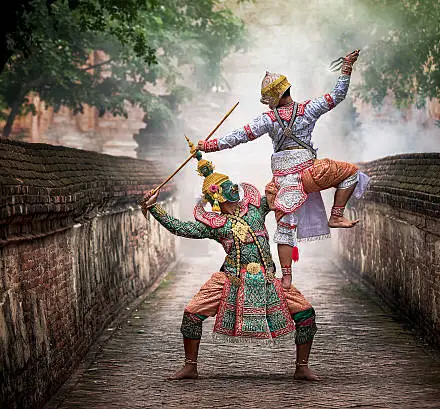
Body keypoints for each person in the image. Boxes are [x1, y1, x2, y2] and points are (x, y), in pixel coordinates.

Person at [196, 49, 369, 290]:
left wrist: (209, 146)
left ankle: (287, 277)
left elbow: (239, 137)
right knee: (350, 173)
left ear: (273, 98)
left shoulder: (268, 119)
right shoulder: (309, 109)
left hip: (281, 183)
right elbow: (338, 95)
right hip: (309, 174)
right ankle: (337, 214)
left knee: (285, 227)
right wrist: (346, 67)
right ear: (287, 89)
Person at [141, 152, 319, 381]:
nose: (233, 187)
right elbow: (180, 228)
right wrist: (155, 208)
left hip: (267, 278)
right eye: (225, 187)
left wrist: (296, 162)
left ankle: (301, 367)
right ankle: (190, 366)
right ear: (216, 197)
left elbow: (277, 188)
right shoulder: (215, 225)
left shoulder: (256, 208)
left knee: (306, 314)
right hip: (230, 278)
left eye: (230, 183)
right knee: (191, 314)